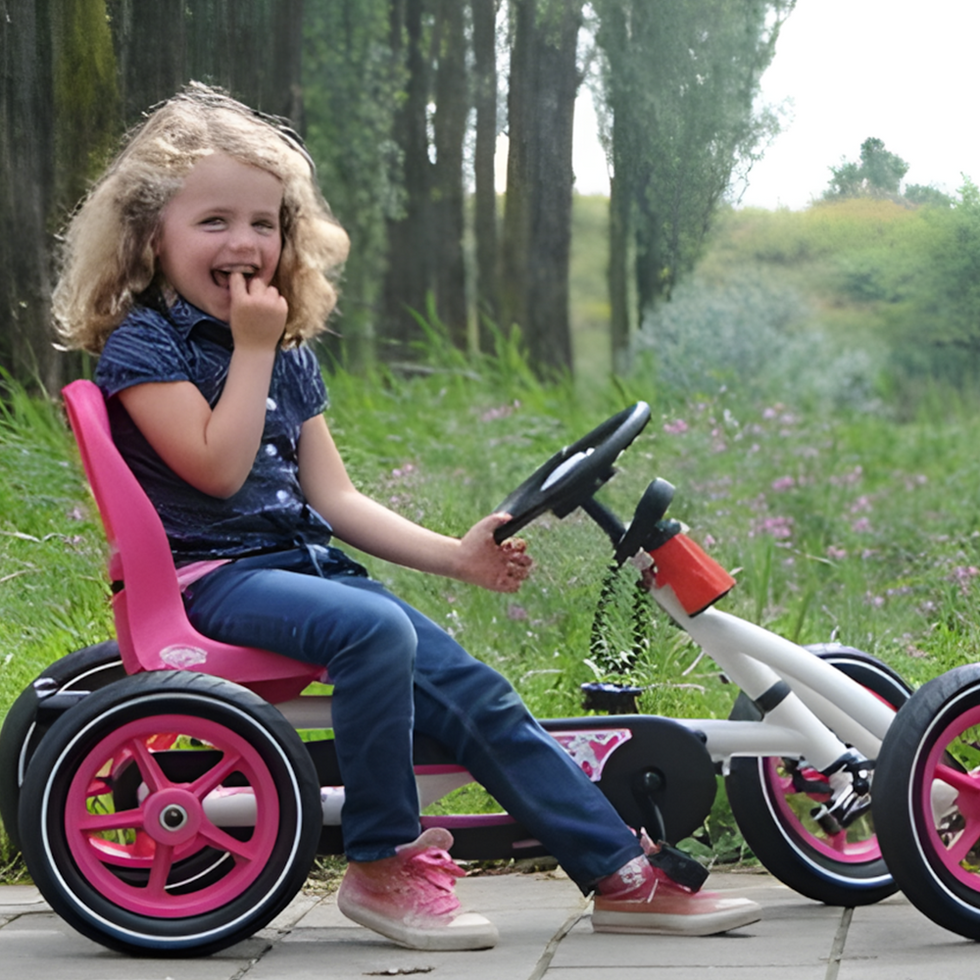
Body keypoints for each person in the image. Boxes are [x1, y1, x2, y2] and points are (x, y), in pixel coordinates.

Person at [53, 83, 762, 951]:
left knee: (478, 694)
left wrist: (455, 558)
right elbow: (216, 464)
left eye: (265, 224)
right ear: (151, 236)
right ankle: (381, 865)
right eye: (214, 223)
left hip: (304, 573)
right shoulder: (146, 345)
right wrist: (246, 349)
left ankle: (620, 874)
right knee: (375, 633)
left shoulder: (286, 352)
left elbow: (335, 499)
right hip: (213, 580)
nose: (244, 243)